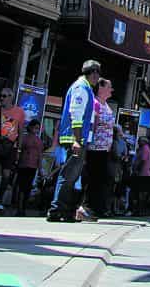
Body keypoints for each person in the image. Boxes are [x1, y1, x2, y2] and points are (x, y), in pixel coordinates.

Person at [47, 59, 100, 222]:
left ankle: (66, 210)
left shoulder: (85, 88)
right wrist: (77, 140)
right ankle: (57, 210)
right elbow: (75, 114)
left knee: (72, 175)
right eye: (97, 73)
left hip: (78, 138)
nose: (98, 77)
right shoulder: (81, 88)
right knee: (69, 175)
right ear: (92, 73)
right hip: (74, 138)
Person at [0, 86, 25, 214]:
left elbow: (20, 132)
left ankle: (0, 201)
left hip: (10, 146)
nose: (1, 98)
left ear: (11, 97)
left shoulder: (19, 112)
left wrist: (18, 150)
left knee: (7, 174)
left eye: (4, 96)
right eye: (1, 96)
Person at [82, 77, 115, 221]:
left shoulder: (106, 105)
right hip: (95, 148)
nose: (111, 89)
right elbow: (92, 125)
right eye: (109, 87)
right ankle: (85, 207)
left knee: (102, 179)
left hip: (104, 149)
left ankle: (95, 208)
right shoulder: (95, 104)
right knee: (93, 178)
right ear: (101, 88)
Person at [14, 119, 45, 216]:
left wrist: (40, 169)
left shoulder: (38, 141)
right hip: (23, 164)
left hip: (32, 166)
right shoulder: (24, 138)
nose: (36, 130)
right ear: (30, 127)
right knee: (21, 186)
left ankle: (23, 208)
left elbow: (40, 155)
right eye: (35, 127)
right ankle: (19, 208)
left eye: (37, 128)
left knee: (27, 187)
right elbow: (19, 149)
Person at [131, 136, 150, 215]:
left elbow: (142, 160)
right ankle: (138, 210)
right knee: (140, 193)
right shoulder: (142, 149)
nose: (138, 142)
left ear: (144, 142)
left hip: (143, 174)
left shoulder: (145, 148)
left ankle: (140, 210)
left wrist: (137, 169)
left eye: (139, 141)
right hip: (142, 173)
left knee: (141, 193)